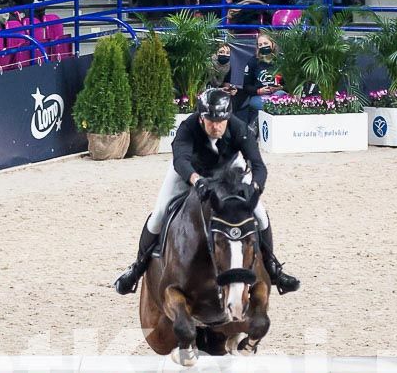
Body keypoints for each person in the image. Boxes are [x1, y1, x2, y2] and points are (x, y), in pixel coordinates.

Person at [112, 88, 299, 296]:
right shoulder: (188, 127)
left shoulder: (238, 127)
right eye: (211, 121)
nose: (216, 126)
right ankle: (137, 267)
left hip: (228, 170)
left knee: (260, 214)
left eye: (221, 121)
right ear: (201, 118)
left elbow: (258, 165)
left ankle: (273, 268)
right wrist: (196, 180)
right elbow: (180, 160)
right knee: (159, 214)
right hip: (191, 171)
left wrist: (254, 188)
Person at [238, 29, 281, 117]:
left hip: (278, 94)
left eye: (266, 43)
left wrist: (279, 88)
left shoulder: (281, 60)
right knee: (260, 103)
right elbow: (246, 86)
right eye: (260, 45)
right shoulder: (253, 61)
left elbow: (289, 84)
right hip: (259, 96)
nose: (263, 46)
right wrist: (258, 91)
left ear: (272, 44)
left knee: (281, 97)